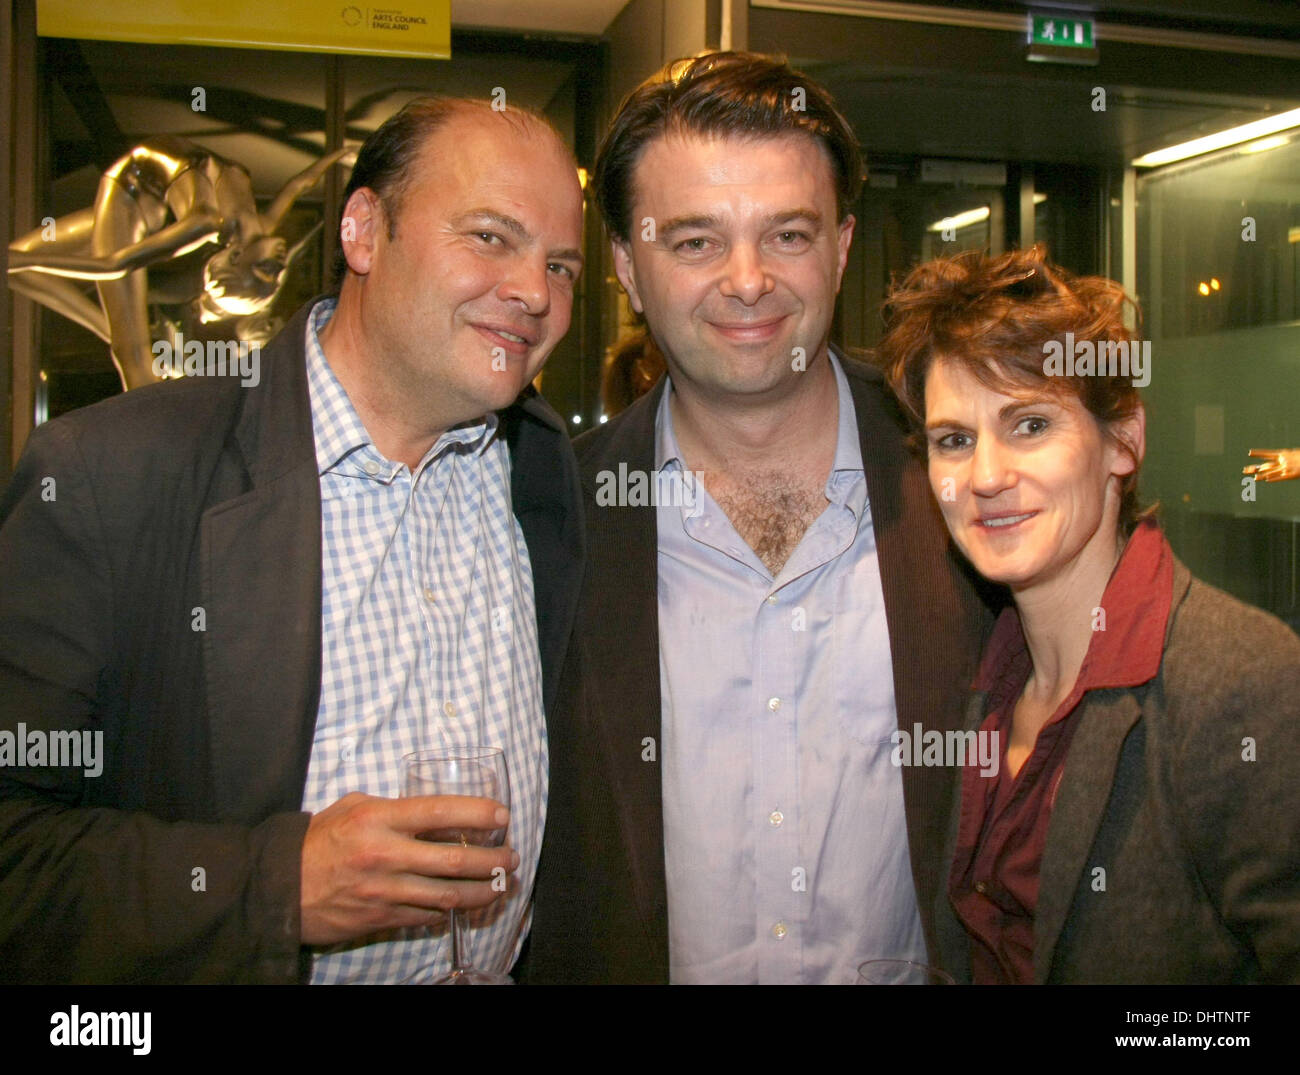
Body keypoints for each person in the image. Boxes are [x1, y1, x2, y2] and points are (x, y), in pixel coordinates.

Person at [0, 97, 586, 984]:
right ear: (363, 230)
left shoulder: (544, 479)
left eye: (563, 266)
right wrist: (277, 885)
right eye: (490, 238)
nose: (536, 293)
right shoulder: (110, 476)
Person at [525, 52, 991, 985]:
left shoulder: (974, 484)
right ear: (625, 264)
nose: (747, 281)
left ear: (843, 246)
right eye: (695, 241)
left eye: (787, 234)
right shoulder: (546, 525)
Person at [878, 246, 1300, 983]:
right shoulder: (984, 674)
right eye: (954, 439)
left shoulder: (1244, 680)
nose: (985, 476)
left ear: (1123, 440)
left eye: (1030, 425)